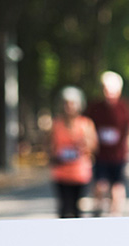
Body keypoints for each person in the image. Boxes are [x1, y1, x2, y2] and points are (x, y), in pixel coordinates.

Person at [85, 71, 129, 217]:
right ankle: (98, 211)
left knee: (117, 187)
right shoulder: (95, 107)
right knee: (100, 186)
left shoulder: (124, 107)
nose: (109, 94)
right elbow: (88, 127)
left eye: (112, 91)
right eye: (106, 90)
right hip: (100, 155)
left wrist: (128, 149)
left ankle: (116, 214)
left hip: (118, 155)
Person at [50, 86, 98, 218]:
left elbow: (93, 147)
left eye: (72, 104)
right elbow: (50, 147)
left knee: (78, 209)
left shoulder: (86, 124)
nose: (69, 107)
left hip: (80, 174)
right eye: (66, 104)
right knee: (64, 207)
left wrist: (84, 143)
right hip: (61, 173)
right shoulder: (56, 124)